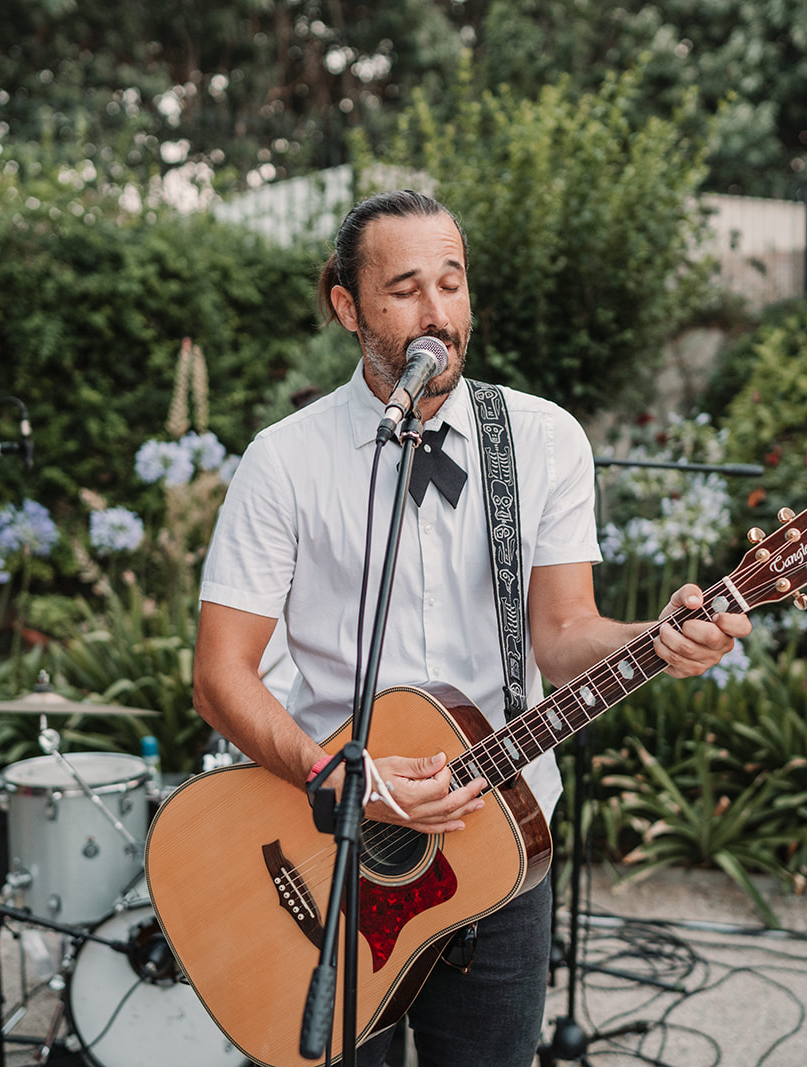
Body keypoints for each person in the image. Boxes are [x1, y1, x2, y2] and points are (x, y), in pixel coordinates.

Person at [193, 189, 751, 1067]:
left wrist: (658, 636)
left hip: (499, 850)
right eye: (406, 288)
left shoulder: (541, 441)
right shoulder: (285, 460)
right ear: (348, 306)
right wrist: (343, 777)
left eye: (452, 284)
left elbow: (565, 636)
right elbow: (221, 674)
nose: (437, 314)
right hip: (328, 846)